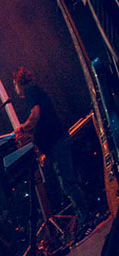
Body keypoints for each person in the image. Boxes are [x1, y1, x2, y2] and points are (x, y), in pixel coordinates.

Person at [12, 67, 89, 231]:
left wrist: (22, 129)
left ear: (19, 83)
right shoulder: (35, 91)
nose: (15, 89)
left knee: (68, 183)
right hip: (55, 142)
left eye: (14, 84)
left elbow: (35, 117)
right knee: (68, 182)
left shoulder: (31, 91)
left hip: (57, 142)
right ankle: (84, 218)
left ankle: (85, 220)